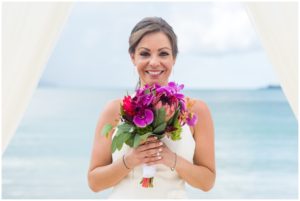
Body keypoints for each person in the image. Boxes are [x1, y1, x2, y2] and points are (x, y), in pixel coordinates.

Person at [87, 17, 216, 199]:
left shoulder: (195, 110)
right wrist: (130, 161)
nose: (154, 62)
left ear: (174, 58)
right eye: (145, 54)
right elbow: (94, 182)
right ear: (133, 57)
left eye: (163, 54)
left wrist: (172, 159)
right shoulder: (114, 110)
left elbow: (207, 182)